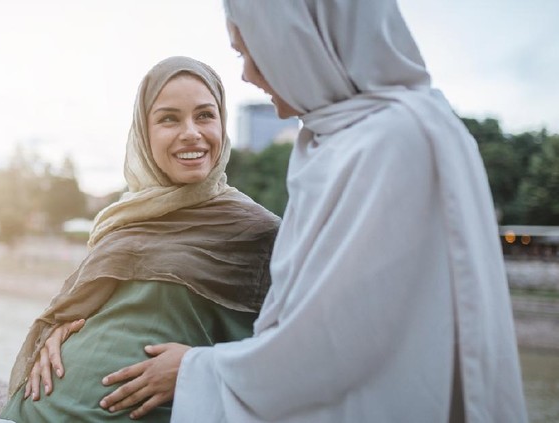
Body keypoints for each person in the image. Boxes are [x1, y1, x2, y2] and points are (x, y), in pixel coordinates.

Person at [157, 1, 528, 421]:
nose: (245, 73)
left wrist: (194, 371)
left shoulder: (391, 140)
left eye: (249, 50)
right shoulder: (337, 138)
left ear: (298, 43)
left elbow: (336, 343)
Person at [0, 56, 280, 422]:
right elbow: (93, 309)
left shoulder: (261, 231)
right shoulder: (125, 218)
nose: (191, 131)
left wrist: (198, 367)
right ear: (144, 135)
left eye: (205, 115)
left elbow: (296, 353)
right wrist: (56, 332)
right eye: (169, 119)